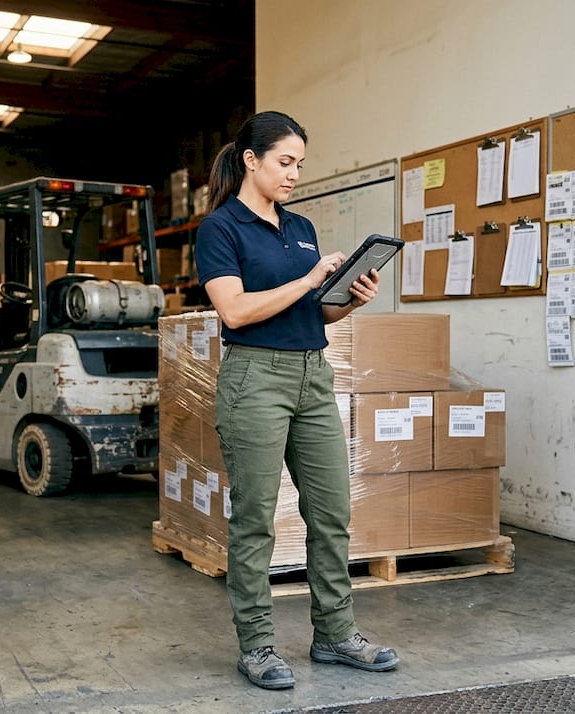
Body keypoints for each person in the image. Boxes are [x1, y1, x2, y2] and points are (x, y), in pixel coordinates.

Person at [195, 111, 399, 690]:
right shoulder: (221, 229)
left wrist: (350, 298)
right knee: (256, 519)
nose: (293, 175)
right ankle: (257, 646)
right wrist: (310, 279)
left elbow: (316, 311)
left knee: (331, 512)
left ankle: (334, 634)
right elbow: (235, 311)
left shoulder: (301, 225)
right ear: (250, 160)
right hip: (254, 379)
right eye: (285, 163)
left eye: (300, 165)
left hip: (314, 374)